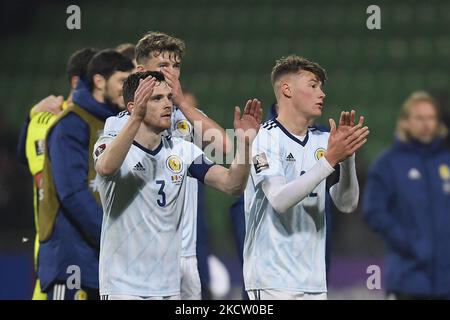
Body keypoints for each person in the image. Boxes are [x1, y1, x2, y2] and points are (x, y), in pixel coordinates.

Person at [94, 71, 261, 300]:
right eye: (156, 98)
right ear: (133, 106)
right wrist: (135, 118)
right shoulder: (110, 144)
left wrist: (244, 146)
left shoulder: (183, 150)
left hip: (169, 288)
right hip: (123, 287)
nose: (167, 105)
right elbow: (105, 168)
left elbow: (232, 185)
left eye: (169, 98)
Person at [103, 31, 232, 299]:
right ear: (140, 71)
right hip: (138, 259)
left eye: (176, 66)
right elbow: (107, 167)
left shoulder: (185, 116)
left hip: (186, 252)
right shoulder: (119, 124)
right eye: (163, 66)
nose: (171, 73)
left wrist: (183, 103)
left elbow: (227, 149)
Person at [244, 55, 369, 300]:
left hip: (313, 281)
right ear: (287, 89)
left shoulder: (324, 141)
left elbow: (347, 203)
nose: (321, 94)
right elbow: (279, 199)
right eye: (313, 85)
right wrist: (330, 159)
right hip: (271, 280)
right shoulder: (264, 139)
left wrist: (347, 158)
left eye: (321, 87)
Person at [37, 50, 134, 300]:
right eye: (123, 82)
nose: (127, 89)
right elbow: (72, 193)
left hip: (100, 259)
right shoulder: (70, 124)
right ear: (100, 82)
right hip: (71, 257)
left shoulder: (114, 124)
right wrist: (113, 237)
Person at [16, 48, 98, 300]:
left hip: (72, 254)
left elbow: (22, 154)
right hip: (66, 251)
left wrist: (31, 115)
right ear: (77, 82)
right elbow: (57, 186)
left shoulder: (45, 118)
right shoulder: (57, 123)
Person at [363, 91, 450, 300]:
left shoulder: (446, 160)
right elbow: (373, 212)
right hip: (408, 279)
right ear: (405, 122)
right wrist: (410, 243)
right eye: (419, 118)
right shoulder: (388, 164)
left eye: (431, 118)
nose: (426, 124)